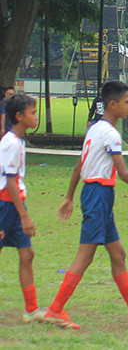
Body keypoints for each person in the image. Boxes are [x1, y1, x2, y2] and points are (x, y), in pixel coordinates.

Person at [44, 80, 128, 329]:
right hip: (98, 195)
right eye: (127, 102)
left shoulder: (95, 129)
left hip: (98, 195)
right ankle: (55, 310)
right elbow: (123, 172)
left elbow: (79, 165)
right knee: (85, 256)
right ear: (112, 105)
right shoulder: (110, 134)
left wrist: (69, 197)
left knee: (118, 254)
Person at [0, 94, 45, 322]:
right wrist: (24, 216)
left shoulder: (18, 141)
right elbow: (9, 182)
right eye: (33, 113)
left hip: (14, 203)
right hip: (5, 205)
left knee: (27, 254)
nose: (36, 117)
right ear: (19, 116)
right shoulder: (10, 143)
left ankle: (31, 309)